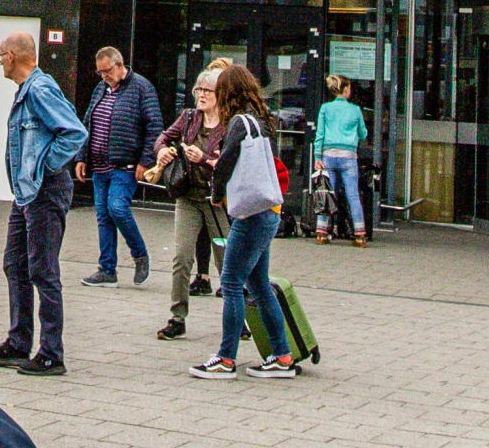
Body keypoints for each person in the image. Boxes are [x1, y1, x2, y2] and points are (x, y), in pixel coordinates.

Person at [0, 28, 84, 377]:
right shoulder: (27, 90)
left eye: (0, 56)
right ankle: (18, 343)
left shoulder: (40, 89)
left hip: (44, 191)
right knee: (15, 264)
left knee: (43, 270)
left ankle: (52, 354)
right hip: (26, 193)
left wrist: (44, 166)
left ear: (13, 56)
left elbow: (74, 133)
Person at [189, 62, 300, 379]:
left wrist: (215, 191)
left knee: (233, 283)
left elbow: (225, 162)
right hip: (267, 212)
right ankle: (281, 357)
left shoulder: (239, 122)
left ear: (227, 92)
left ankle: (225, 359)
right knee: (259, 285)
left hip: (250, 214)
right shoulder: (261, 119)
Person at [78, 43, 163, 287]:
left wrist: (146, 161)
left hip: (124, 165)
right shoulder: (100, 89)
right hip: (99, 165)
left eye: (106, 71)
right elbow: (88, 123)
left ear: (119, 64)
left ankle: (140, 254)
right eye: (100, 73)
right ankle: (107, 270)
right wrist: (82, 156)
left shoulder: (142, 88)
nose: (104, 76)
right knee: (103, 216)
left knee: (117, 208)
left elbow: (154, 127)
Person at [152, 74, 228, 340]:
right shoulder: (189, 117)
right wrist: (161, 150)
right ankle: (177, 317)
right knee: (182, 257)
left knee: (226, 262)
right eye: (199, 90)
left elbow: (231, 161)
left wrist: (205, 159)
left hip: (216, 201)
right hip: (188, 197)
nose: (202, 95)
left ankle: (238, 318)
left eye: (208, 90)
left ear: (222, 94)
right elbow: (163, 137)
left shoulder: (231, 123)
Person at [310, 77, 372, 245]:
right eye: (349, 88)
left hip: (328, 155)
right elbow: (363, 133)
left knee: (327, 193)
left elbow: (320, 134)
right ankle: (360, 234)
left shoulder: (325, 108)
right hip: (348, 157)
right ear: (345, 90)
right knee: (353, 195)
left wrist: (317, 157)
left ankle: (322, 233)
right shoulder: (355, 110)